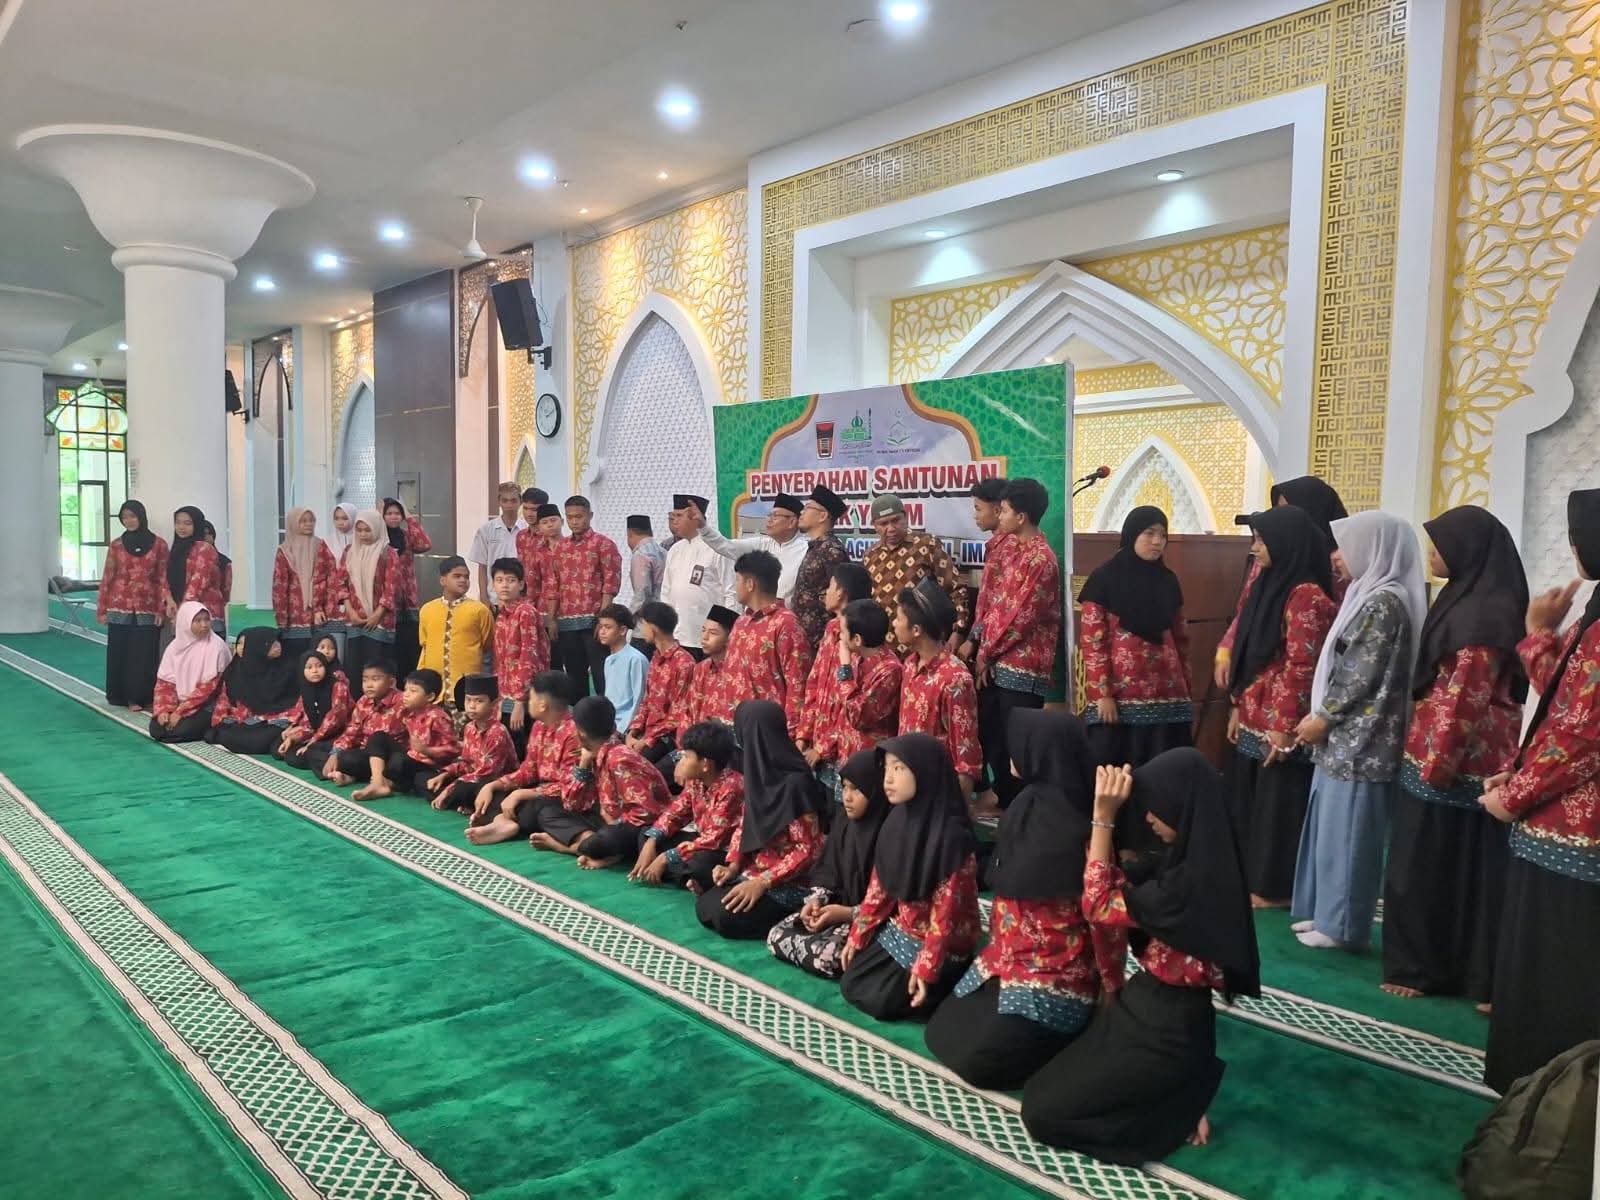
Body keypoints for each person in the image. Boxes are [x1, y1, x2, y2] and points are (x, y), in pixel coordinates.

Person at [1021, 751, 1260, 1164]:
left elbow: (1098, 904)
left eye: (1156, 805)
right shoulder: (1194, 861)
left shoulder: (1190, 886)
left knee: (1043, 1115)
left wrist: (1103, 817)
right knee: (1042, 1088)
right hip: (1144, 1005)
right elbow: (1122, 883)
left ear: (1182, 806)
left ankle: (1174, 1110)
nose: (1148, 816)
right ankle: (1180, 1096)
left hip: (1170, 1030)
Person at [1480, 488, 1600, 1094]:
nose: (1574, 548)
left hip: (1579, 831)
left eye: (1577, 536)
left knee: (1562, 966)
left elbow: (1583, 736)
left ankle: (1551, 1097)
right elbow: (1562, 698)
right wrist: (1538, 631)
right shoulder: (1594, 615)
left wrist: (1515, 794)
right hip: (1556, 816)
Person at [1383, 506, 1527, 1002]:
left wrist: (1436, 766)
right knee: (1451, 868)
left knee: (1431, 869)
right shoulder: (1468, 599)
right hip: (1447, 757)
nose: (1432, 553)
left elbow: (1465, 697)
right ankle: (1448, 969)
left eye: (1440, 544)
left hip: (1454, 763)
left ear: (1467, 549)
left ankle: (1423, 970)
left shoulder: (1482, 616)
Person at [926, 711, 1103, 1089]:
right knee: (943, 1030)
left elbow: (1102, 917)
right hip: (1005, 958)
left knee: (981, 1062)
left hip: (1058, 974)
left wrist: (1111, 988)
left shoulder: (1086, 828)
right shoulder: (1025, 805)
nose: (1011, 753)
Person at [1289, 511, 1426, 950]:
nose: (1335, 556)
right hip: (1345, 736)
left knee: (1350, 833)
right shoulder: (1366, 595)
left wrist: (1323, 716)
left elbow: (1358, 673)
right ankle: (1328, 914)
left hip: (1363, 739)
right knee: (1333, 828)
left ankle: (1343, 927)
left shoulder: (1383, 603)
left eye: (1344, 546)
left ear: (1372, 548)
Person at [1225, 506, 1339, 907]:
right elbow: (1247, 648)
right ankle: (1249, 876)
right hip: (1254, 711)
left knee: (1278, 806)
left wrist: (1285, 725)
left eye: (1261, 540)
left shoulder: (1306, 595)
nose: (1255, 549)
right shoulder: (1268, 582)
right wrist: (1236, 704)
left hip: (1279, 720)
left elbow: (1303, 665)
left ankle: (1274, 889)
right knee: (1251, 802)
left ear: (1285, 542)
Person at [839, 733, 981, 1021]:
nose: (888, 779)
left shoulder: (952, 838)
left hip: (942, 943)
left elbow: (946, 914)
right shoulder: (896, 822)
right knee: (852, 982)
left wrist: (928, 965)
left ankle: (946, 980)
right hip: (903, 929)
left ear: (924, 771)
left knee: (883, 1002)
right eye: (887, 769)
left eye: (899, 768)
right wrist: (858, 935)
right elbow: (880, 887)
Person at [696, 700, 827, 939]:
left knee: (724, 917)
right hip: (755, 869)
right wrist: (733, 865)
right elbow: (745, 825)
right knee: (706, 905)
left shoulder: (796, 783)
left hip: (791, 881)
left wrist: (763, 882)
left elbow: (808, 850)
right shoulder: (758, 774)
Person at [971, 478, 1061, 813]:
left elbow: (1017, 618)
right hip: (998, 660)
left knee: (1018, 747)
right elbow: (995, 605)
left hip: (1023, 668)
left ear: (1020, 517)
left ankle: (1023, 811)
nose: (1000, 515)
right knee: (994, 737)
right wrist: (984, 650)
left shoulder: (1040, 559)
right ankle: (1004, 802)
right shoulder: (1015, 551)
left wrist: (985, 654)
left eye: (1005, 510)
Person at [1079, 505, 1192, 769]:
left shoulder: (1168, 580)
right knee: (1120, 769)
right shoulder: (1104, 578)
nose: (1157, 541)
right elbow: (1093, 642)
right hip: (1120, 698)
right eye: (1149, 533)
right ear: (1132, 534)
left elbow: (1181, 638)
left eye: (1163, 535)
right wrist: (1102, 694)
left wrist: (1187, 689)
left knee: (1166, 770)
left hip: (1169, 697)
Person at [1213, 474, 1349, 689]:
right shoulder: (1269, 558)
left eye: (1291, 509)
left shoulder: (1343, 563)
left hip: (1319, 673)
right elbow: (1248, 608)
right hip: (1261, 677)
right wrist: (1228, 649)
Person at [767, 749, 890, 980]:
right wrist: (816, 901)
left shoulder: (891, 833)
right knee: (776, 936)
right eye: (844, 787)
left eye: (856, 789)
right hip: (837, 905)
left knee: (828, 957)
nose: (847, 797)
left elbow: (888, 900)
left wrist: (847, 914)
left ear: (876, 791)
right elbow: (828, 871)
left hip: (871, 919)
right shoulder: (844, 821)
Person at [549, 696, 673, 868]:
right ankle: (591, 844)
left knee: (596, 844)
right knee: (547, 810)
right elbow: (572, 804)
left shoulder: (620, 759)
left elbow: (647, 812)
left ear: (580, 733)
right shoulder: (590, 753)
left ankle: (574, 847)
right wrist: (583, 765)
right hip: (607, 817)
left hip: (635, 825)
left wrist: (615, 821)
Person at [799, 591, 902, 792]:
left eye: (843, 632)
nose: (840, 637)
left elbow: (857, 715)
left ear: (857, 639)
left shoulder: (889, 670)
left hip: (867, 767)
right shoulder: (859, 657)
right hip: (845, 758)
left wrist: (845, 667)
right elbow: (839, 709)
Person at [466, 672, 581, 846]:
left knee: (541, 809)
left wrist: (522, 794)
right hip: (539, 789)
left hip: (561, 797)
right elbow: (528, 771)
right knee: (488, 789)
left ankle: (503, 822)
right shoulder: (539, 726)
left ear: (543, 705)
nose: (528, 702)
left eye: (531, 698)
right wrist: (493, 785)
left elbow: (569, 787)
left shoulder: (574, 733)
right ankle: (502, 822)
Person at [895, 578, 982, 798]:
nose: (894, 624)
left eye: (898, 618)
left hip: (937, 793)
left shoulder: (955, 679)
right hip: (907, 785)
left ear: (916, 630)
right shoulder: (909, 665)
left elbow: (965, 757)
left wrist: (957, 809)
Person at [632, 720, 743, 891]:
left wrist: (665, 858)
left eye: (686, 756)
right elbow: (675, 813)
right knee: (647, 835)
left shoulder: (733, 787)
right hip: (700, 842)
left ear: (705, 764)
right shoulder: (696, 781)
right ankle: (680, 876)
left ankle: (681, 875)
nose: (681, 762)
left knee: (700, 865)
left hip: (723, 851)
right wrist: (651, 841)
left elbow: (714, 839)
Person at [864, 494, 969, 656]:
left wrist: (959, 631)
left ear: (906, 517)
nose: (891, 528)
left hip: (925, 646)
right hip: (886, 650)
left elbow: (955, 588)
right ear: (874, 526)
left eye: (896, 520)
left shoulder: (926, 544)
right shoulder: (870, 555)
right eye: (883, 523)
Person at [725, 550, 813, 736]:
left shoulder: (786, 624)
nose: (735, 586)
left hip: (768, 731)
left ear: (750, 584)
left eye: (738, 580)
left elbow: (798, 683)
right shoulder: (741, 622)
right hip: (735, 727)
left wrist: (792, 733)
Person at [793, 562, 874, 766]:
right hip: (818, 742)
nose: (825, 592)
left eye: (830, 586)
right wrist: (804, 733)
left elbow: (850, 703)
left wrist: (823, 747)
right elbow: (814, 683)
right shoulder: (831, 628)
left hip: (845, 751)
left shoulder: (860, 640)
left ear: (841, 593)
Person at [99, 500, 168, 711]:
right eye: (124, 517)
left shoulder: (159, 545)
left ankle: (139, 696)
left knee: (143, 654)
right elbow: (108, 577)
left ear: (141, 517)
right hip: (119, 605)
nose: (128, 521)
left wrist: (161, 609)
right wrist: (102, 608)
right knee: (120, 652)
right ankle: (119, 695)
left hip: (148, 607)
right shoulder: (116, 545)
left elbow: (163, 578)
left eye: (132, 516)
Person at [350, 668, 459, 800]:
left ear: (430, 697)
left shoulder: (438, 717)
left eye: (413, 691)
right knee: (377, 738)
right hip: (410, 757)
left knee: (403, 766)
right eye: (406, 690)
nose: (406, 695)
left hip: (429, 765)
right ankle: (378, 784)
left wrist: (427, 750)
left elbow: (454, 750)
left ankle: (388, 783)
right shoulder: (410, 712)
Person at [554, 495, 623, 698]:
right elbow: (553, 584)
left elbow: (611, 582)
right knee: (574, 677)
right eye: (570, 517)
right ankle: (579, 715)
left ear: (590, 515)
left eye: (579, 516)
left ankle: (605, 714)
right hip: (566, 622)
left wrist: (603, 620)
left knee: (601, 674)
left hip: (594, 620)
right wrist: (552, 619)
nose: (574, 521)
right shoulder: (561, 547)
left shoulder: (603, 544)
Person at [423, 674, 520, 814]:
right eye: (468, 700)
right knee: (430, 782)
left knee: (460, 789)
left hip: (494, 784)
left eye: (479, 701)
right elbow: (466, 763)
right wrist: (445, 774)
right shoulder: (469, 727)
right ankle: (460, 801)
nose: (472, 706)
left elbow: (487, 774)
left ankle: (460, 801)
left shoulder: (497, 732)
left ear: (494, 703)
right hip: (473, 779)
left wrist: (450, 789)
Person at [305, 659, 405, 784]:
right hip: (362, 751)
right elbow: (352, 732)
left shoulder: (404, 703)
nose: (369, 685)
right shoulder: (364, 701)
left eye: (375, 679)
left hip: (387, 756)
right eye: (365, 680)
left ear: (391, 682)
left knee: (349, 759)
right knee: (314, 749)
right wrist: (335, 753)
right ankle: (342, 773)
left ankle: (353, 774)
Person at [661, 495, 735, 658]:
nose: (674, 521)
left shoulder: (716, 548)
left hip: (709, 640)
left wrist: (728, 631)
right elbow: (666, 593)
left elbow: (731, 593)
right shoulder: (674, 550)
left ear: (695, 517)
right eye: (673, 516)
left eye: (679, 516)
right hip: (678, 637)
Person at [206, 627, 301, 754]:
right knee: (222, 732)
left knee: (259, 739)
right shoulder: (239, 670)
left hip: (277, 719)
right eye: (271, 644)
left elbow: (296, 703)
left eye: (277, 642)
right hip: (249, 720)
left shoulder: (289, 668)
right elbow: (227, 702)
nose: (278, 646)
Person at [701, 492, 809, 601]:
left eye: (775, 516)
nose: (769, 520)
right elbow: (727, 546)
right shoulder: (762, 545)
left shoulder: (806, 550)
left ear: (792, 522)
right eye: (769, 515)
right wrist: (703, 527)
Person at [416, 556, 493, 706]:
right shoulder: (427, 610)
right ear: (442, 580)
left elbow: (487, 645)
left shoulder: (480, 611)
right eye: (457, 576)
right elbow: (425, 647)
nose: (463, 580)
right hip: (434, 693)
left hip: (467, 693)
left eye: (466, 577)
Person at [625, 602, 696, 766]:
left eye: (643, 625)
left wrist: (646, 740)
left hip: (668, 737)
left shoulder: (685, 663)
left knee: (637, 766)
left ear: (653, 628)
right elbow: (646, 701)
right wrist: (633, 732)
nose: (641, 630)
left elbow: (678, 715)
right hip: (648, 732)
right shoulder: (656, 658)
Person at [490, 557, 548, 756]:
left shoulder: (526, 612)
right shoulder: (501, 615)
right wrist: (499, 700)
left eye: (511, 580)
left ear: (521, 584)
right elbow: (499, 662)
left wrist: (520, 702)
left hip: (528, 697)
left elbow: (529, 657)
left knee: (525, 752)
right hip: (506, 695)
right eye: (499, 580)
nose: (504, 585)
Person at [148, 601, 230, 743]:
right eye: (198, 621)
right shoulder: (174, 648)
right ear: (185, 623)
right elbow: (165, 684)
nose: (204, 625)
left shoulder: (216, 647)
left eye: (206, 620)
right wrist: (165, 710)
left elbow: (208, 690)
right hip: (180, 703)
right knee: (156, 728)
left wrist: (180, 712)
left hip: (207, 705)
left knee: (180, 730)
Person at [336, 508, 399, 682]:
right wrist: (351, 612)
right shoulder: (349, 551)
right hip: (355, 619)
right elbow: (341, 583)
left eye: (367, 530)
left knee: (378, 670)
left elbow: (391, 587)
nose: (363, 534)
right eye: (359, 530)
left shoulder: (388, 553)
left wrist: (377, 615)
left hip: (379, 621)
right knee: (355, 670)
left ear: (377, 528)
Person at [791, 486, 853, 646]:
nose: (801, 512)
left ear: (822, 516)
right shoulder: (815, 547)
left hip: (823, 641)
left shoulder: (832, 551)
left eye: (807, 507)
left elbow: (844, 599)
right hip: (805, 640)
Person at [272, 507, 337, 659]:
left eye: (311, 520)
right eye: (303, 521)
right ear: (293, 523)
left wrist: (325, 607)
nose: (309, 524)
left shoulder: (321, 546)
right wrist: (281, 618)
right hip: (293, 616)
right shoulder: (285, 550)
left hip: (318, 614)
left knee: (317, 658)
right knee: (294, 660)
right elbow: (279, 586)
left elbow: (331, 577)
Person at [961, 476, 1011, 670]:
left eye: (978, 509)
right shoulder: (995, 547)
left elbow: (1000, 606)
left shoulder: (1009, 549)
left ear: (997, 510)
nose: (975, 516)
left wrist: (974, 641)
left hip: (999, 652)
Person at [274, 650, 354, 769]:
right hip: (318, 733)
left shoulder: (338, 687)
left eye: (319, 666)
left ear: (326, 666)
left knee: (304, 755)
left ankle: (337, 765)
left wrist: (311, 743)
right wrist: (293, 738)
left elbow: (334, 721)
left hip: (340, 733)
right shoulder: (307, 689)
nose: (315, 671)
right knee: (282, 751)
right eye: (309, 667)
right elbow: (309, 724)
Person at [675, 605, 742, 744]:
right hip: (695, 743)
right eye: (703, 630)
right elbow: (688, 711)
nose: (704, 637)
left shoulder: (739, 672)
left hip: (724, 747)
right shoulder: (700, 668)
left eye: (713, 633)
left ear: (729, 638)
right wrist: (685, 746)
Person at [382, 498, 433, 674]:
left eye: (398, 513)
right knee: (390, 650)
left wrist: (410, 517)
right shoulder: (378, 538)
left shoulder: (406, 536)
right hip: (386, 603)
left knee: (410, 647)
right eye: (389, 513)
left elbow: (425, 544)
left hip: (408, 600)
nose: (394, 517)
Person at [165, 505, 226, 637]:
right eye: (178, 523)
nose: (181, 527)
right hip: (180, 612)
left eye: (187, 523)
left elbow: (197, 584)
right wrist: (169, 600)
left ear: (197, 525)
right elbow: (165, 578)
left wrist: (182, 613)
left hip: (204, 614)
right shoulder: (175, 550)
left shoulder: (205, 549)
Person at [469, 482, 526, 605]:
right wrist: (484, 597)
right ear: (499, 502)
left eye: (513, 500)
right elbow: (482, 566)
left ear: (520, 502)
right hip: (493, 598)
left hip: (521, 599)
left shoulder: (527, 530)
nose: (509, 505)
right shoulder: (486, 530)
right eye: (505, 501)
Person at [513, 490, 560, 637]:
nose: (529, 514)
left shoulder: (552, 537)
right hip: (526, 602)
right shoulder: (521, 537)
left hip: (550, 604)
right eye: (526, 508)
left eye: (534, 509)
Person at [594, 604, 648, 733]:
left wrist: (624, 729)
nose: (602, 632)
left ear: (623, 630)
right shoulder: (608, 660)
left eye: (608, 627)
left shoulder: (636, 659)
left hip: (627, 727)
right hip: (610, 724)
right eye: (601, 626)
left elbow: (640, 700)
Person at [321, 505, 357, 659]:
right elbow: (319, 575)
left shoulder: (361, 540)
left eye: (345, 518)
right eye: (337, 518)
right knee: (337, 652)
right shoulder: (327, 542)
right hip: (333, 604)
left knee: (354, 654)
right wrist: (318, 607)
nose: (340, 522)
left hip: (357, 603)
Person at [625, 514, 667, 614]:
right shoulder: (664, 551)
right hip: (666, 611)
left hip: (651, 615)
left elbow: (642, 593)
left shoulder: (641, 555)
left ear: (630, 533)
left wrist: (629, 618)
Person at [201, 521, 232, 606]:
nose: (205, 537)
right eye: (201, 534)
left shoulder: (224, 562)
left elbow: (226, 592)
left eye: (208, 534)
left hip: (215, 606)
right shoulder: (189, 558)